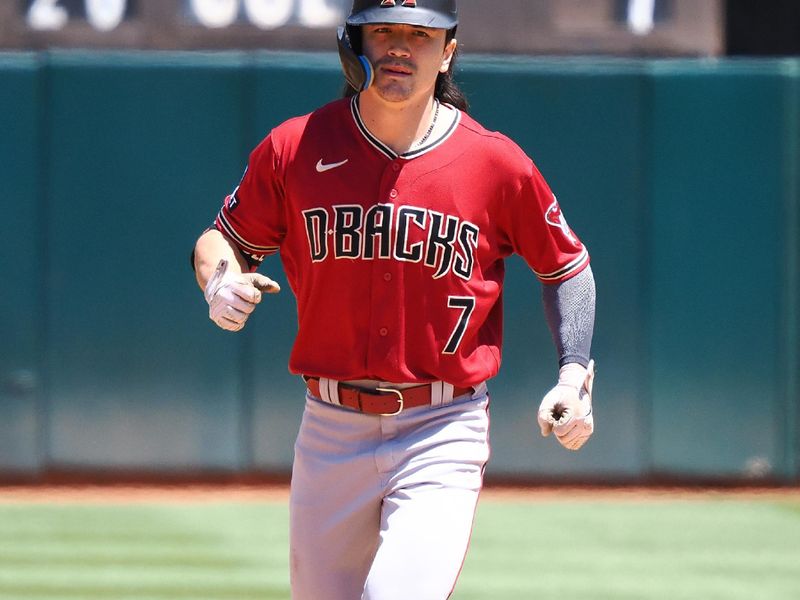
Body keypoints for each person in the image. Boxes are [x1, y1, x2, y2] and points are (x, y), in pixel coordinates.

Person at [192, 1, 596, 598]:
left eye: (421, 34)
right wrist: (220, 280)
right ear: (352, 43)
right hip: (329, 427)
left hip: (442, 425)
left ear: (448, 52)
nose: (401, 48)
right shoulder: (296, 147)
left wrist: (573, 372)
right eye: (383, 31)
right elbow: (222, 239)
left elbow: (567, 267)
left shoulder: (493, 162)